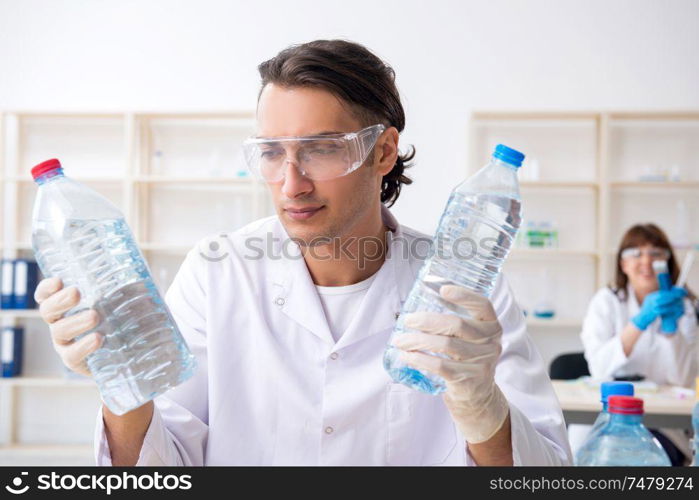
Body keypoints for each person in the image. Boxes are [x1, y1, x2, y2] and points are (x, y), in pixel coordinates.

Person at [34, 40, 571, 466]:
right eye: (271, 152)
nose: (291, 184)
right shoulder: (219, 271)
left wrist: (483, 409)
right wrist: (122, 382)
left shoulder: (464, 288)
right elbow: (160, 467)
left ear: (382, 151)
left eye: (320, 150)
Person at [579, 223, 698, 464]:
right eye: (635, 253)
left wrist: (671, 332)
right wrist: (639, 322)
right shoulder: (606, 301)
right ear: (623, 264)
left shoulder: (683, 307)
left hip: (664, 425)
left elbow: (683, 380)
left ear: (668, 263)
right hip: (605, 416)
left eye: (656, 253)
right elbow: (599, 368)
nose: (646, 261)